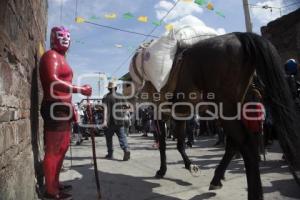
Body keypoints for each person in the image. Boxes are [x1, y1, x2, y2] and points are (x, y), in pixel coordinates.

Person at [39, 26, 92, 200]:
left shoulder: (62, 58)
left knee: (63, 148)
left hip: (64, 107)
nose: (65, 39)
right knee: (54, 149)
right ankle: (50, 190)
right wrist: (79, 89)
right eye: (61, 36)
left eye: (68, 36)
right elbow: (53, 80)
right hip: (55, 106)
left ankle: (55, 182)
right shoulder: (51, 56)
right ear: (54, 37)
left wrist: (73, 108)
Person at [102, 81, 130, 161]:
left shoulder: (106, 97)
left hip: (109, 121)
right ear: (116, 88)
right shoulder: (121, 96)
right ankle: (126, 149)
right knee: (122, 136)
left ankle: (110, 154)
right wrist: (123, 113)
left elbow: (105, 110)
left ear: (108, 88)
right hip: (120, 120)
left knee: (109, 138)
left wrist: (104, 121)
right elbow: (127, 107)